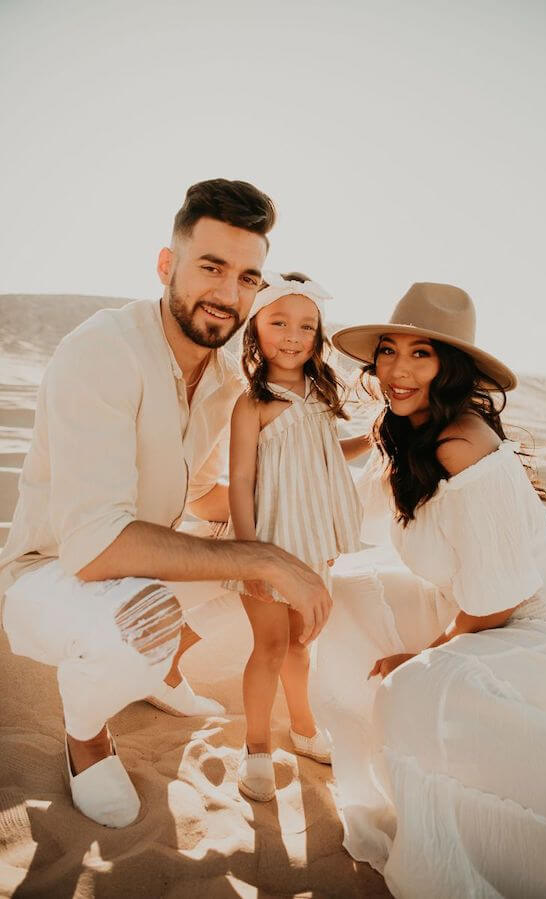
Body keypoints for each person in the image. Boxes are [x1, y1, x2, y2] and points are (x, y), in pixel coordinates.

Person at [0, 180, 332, 829]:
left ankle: (163, 670)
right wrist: (259, 555)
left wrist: (279, 527)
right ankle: (86, 732)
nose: (227, 293)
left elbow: (205, 495)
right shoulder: (103, 352)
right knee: (163, 603)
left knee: (258, 557)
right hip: (50, 574)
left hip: (131, 562)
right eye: (210, 267)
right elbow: (94, 546)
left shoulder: (226, 376)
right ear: (165, 266)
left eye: (246, 277)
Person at [315, 282, 546, 897]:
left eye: (422, 354)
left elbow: (496, 600)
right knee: (348, 591)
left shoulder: (462, 441)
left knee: (418, 687)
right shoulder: (406, 435)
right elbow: (348, 519)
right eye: (388, 350)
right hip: (491, 614)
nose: (397, 368)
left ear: (452, 367)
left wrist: (424, 653)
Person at [225, 271, 369, 802]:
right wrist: (248, 557)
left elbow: (327, 453)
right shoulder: (253, 403)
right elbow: (240, 480)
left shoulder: (318, 393)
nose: (292, 335)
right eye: (278, 322)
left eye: (306, 326)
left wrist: (370, 440)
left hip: (311, 544)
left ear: (318, 335)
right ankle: (257, 747)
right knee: (268, 646)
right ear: (255, 330)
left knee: (301, 645)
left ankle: (303, 729)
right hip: (267, 544)